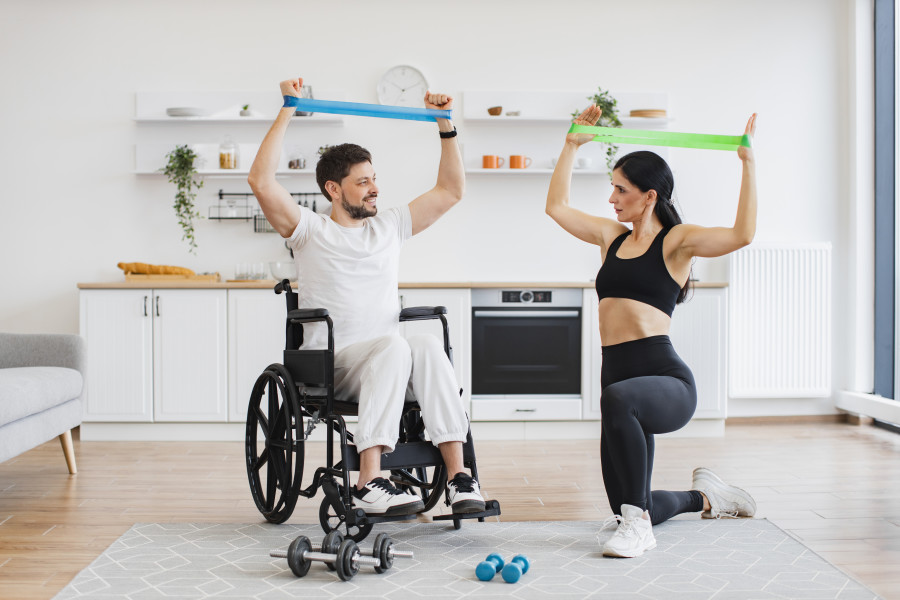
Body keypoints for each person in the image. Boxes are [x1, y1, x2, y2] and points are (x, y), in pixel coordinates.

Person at [249, 77, 485, 517]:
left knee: (427, 345)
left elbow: (452, 191)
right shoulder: (309, 229)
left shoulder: (389, 226)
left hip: (388, 360)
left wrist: (444, 123)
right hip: (334, 363)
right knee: (395, 345)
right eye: (362, 182)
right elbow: (261, 181)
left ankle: (458, 478)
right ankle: (370, 481)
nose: (374, 188)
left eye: (374, 179)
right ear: (333, 190)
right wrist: (289, 107)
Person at [545, 105, 759, 558]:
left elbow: (742, 234)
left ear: (648, 196)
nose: (611, 199)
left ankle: (641, 529)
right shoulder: (611, 238)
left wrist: (748, 164)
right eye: (612, 189)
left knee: (621, 415)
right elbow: (556, 207)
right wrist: (571, 143)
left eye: (620, 190)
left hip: (665, 383)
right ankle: (706, 498)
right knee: (627, 506)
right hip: (617, 385)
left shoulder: (677, 242)